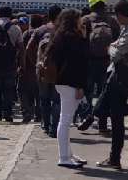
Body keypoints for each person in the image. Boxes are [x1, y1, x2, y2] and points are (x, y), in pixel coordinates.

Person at [79, 0, 128, 170]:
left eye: (117, 17)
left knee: (115, 117)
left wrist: (111, 47)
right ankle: (114, 157)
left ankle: (115, 157)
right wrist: (113, 47)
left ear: (121, 15)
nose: (116, 21)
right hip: (117, 74)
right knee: (110, 112)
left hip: (124, 76)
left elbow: (115, 52)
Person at [50, 9, 89, 168]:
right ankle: (64, 157)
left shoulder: (59, 36)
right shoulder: (74, 38)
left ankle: (68, 154)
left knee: (65, 119)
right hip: (71, 83)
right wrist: (80, 86)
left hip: (62, 81)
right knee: (65, 120)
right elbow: (79, 64)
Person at [81, 0, 121, 133]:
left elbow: (81, 41)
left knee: (88, 91)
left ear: (92, 6)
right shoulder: (111, 21)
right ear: (103, 5)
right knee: (104, 93)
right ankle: (103, 125)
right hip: (107, 62)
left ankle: (86, 117)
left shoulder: (85, 20)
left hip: (89, 62)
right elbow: (118, 40)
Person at [28, 5, 62, 136]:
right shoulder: (63, 31)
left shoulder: (40, 30)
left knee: (44, 99)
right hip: (58, 71)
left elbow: (28, 49)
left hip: (42, 69)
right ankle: (54, 128)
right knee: (57, 100)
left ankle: (46, 125)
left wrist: (36, 63)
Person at [19, 14, 44, 124]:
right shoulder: (43, 33)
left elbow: (22, 51)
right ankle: (38, 115)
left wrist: (21, 66)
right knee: (38, 92)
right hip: (40, 68)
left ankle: (27, 113)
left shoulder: (27, 33)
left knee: (23, 91)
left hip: (27, 67)